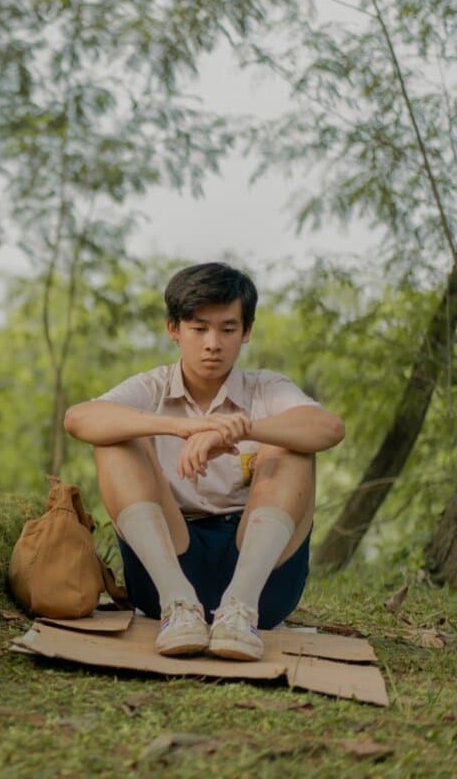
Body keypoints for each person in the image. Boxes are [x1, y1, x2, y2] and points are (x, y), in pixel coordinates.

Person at [64, 263, 344, 660]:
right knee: (116, 436)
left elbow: (328, 428)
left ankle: (238, 610)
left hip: (260, 576)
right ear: (173, 329)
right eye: (199, 329)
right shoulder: (152, 387)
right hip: (168, 570)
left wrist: (239, 430)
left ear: (245, 332)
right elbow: (79, 418)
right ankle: (179, 607)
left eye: (227, 329)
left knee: (290, 444)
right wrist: (183, 429)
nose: (212, 343)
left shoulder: (265, 388)